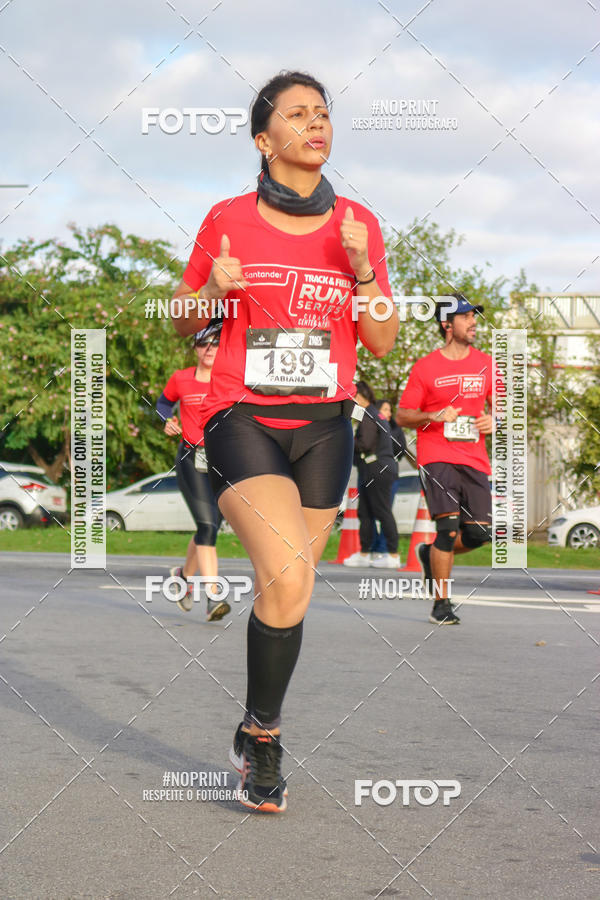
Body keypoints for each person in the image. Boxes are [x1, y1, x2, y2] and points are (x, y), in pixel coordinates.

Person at [170, 70, 398, 812]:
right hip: (245, 417)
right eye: (297, 115)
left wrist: (363, 270)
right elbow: (178, 316)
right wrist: (212, 291)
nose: (317, 123)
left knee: (287, 590)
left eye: (324, 113)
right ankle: (265, 744)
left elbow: (384, 340)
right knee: (292, 572)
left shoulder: (359, 222)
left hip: (326, 427)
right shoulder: (227, 217)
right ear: (265, 139)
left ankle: (254, 726)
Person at [396, 294, 494, 625]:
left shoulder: (486, 363)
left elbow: (505, 407)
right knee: (447, 528)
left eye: (473, 317)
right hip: (436, 454)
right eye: (467, 317)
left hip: (475, 457)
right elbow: (403, 415)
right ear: (447, 324)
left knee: (480, 533)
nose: (474, 323)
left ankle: (431, 553)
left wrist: (495, 420)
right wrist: (434, 414)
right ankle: (442, 602)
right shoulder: (426, 367)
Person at [156, 322, 230, 622]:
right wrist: (167, 419)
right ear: (195, 349)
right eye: (203, 344)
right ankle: (213, 597)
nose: (209, 349)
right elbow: (162, 404)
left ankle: (183, 576)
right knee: (208, 528)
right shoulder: (181, 378)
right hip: (190, 457)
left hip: (224, 461)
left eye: (215, 343)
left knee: (207, 528)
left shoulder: (230, 380)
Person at [344, 382, 400, 568]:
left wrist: (348, 443)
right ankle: (365, 553)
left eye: (351, 396)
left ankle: (392, 554)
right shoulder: (373, 413)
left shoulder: (368, 414)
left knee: (381, 511)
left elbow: (365, 443)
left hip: (377, 467)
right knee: (365, 512)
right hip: (375, 468)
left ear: (358, 395)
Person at [369, 397, 406, 556]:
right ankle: (372, 546)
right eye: (385, 409)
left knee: (385, 511)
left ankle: (385, 548)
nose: (389, 413)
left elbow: (401, 450)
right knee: (367, 511)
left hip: (389, 473)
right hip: (370, 472)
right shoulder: (369, 425)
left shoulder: (395, 429)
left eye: (390, 410)